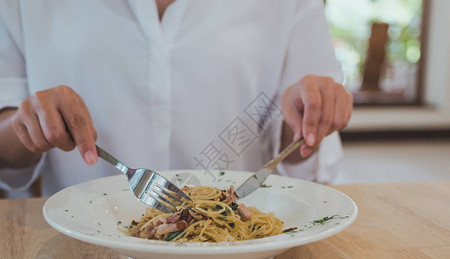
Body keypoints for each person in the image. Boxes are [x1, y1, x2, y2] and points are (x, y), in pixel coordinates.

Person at [0, 0, 353, 196]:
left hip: (243, 249)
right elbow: (5, 139)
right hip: (80, 249)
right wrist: (27, 126)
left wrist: (309, 116)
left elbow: (299, 145)